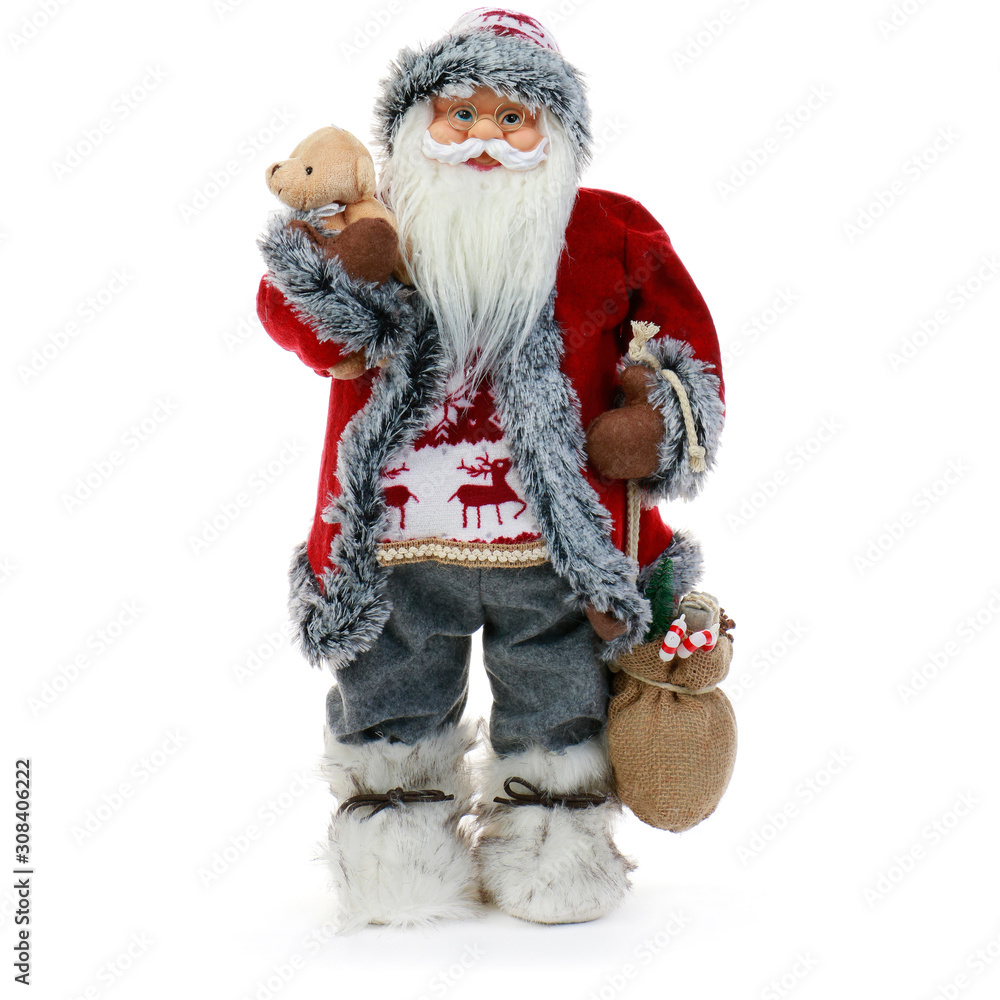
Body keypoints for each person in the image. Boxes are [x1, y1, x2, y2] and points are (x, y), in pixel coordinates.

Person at [256, 7, 725, 929]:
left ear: (557, 136)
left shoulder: (609, 232)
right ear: (413, 126)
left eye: (513, 119)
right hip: (394, 551)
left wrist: (660, 421)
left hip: (553, 554)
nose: (482, 138)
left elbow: (683, 348)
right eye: (459, 114)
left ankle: (557, 850)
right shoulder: (374, 229)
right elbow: (302, 327)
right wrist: (342, 270)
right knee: (390, 695)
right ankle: (395, 850)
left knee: (557, 698)